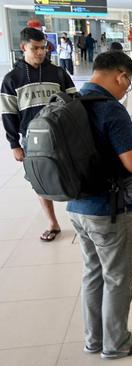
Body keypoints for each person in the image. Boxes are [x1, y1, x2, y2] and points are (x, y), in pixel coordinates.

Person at [68, 51, 132, 360]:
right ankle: (117, 343)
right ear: (121, 76)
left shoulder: (72, 103)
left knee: (93, 272)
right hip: (109, 209)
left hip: (78, 207)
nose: (125, 90)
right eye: (127, 84)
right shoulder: (111, 110)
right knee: (118, 276)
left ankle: (94, 339)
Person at [1, 27, 76, 242]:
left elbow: (74, 101)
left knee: (73, 172)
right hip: (31, 140)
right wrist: (14, 144)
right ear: (23, 47)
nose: (40, 52)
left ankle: (81, 217)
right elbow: (8, 113)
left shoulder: (58, 73)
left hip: (62, 135)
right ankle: (53, 223)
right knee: (40, 179)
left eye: (43, 48)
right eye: (35, 48)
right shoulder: (12, 79)